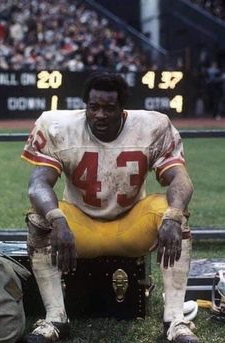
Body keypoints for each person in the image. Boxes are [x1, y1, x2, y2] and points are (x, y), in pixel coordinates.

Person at [21, 71, 198, 343]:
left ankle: (174, 320)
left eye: (109, 108)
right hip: (80, 229)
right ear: (85, 106)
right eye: (93, 107)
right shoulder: (57, 125)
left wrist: (173, 216)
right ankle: (56, 318)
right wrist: (57, 219)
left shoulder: (154, 125)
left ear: (122, 108)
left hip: (132, 226)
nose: (100, 115)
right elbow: (37, 184)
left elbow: (179, 178)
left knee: (175, 215)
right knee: (40, 219)